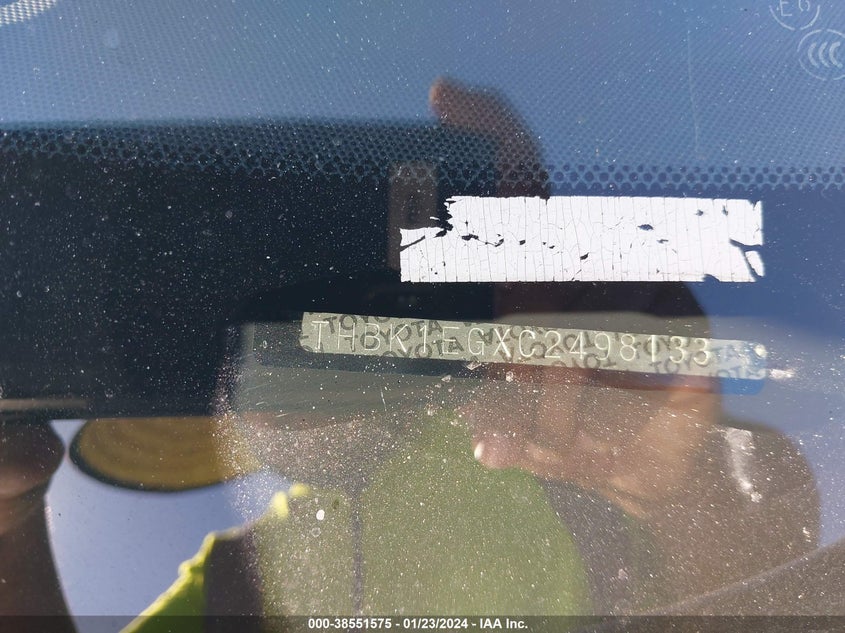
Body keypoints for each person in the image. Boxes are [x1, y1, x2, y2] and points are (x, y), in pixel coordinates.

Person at [0, 79, 820, 630]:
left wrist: (678, 484)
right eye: (239, 339)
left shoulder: (542, 440)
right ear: (206, 401)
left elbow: (765, 577)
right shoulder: (229, 575)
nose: (289, 360)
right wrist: (9, 507)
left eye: (304, 315)